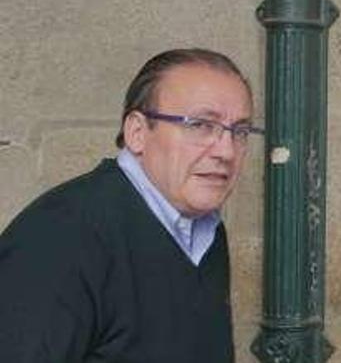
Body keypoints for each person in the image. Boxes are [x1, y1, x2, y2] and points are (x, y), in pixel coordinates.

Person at [0, 48, 259, 363]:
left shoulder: (206, 232)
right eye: (201, 125)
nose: (227, 151)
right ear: (137, 133)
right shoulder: (60, 236)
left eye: (241, 131)